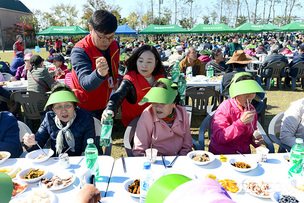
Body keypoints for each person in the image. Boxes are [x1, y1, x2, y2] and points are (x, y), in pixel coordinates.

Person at [71, 9, 119, 118]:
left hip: (106, 102)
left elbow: (115, 66)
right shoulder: (80, 50)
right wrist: (99, 74)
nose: (107, 41)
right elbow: (85, 83)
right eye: (102, 37)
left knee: (105, 134)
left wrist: (115, 81)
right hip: (84, 106)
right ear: (91, 29)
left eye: (111, 37)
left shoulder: (115, 45)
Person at [23, 84, 96, 156]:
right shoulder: (49, 118)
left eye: (68, 105)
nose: (64, 111)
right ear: (53, 109)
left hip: (80, 161)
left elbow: (88, 149)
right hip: (57, 162)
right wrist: (30, 143)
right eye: (58, 107)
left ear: (74, 106)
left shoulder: (86, 119)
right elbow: (37, 145)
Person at [102, 45, 165, 127]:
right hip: (135, 124)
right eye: (140, 61)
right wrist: (109, 109)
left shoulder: (161, 77)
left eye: (149, 62)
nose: (144, 65)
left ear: (156, 62)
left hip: (157, 122)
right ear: (136, 61)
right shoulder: (130, 79)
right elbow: (118, 96)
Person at [132, 78, 192, 156]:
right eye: (155, 102)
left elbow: (187, 144)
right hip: (156, 161)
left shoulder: (182, 113)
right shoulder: (148, 115)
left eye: (163, 103)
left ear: (174, 103)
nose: (158, 107)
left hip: (179, 159)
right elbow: (139, 150)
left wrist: (181, 159)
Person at [209, 73, 265, 155]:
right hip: (222, 154)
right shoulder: (225, 107)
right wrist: (241, 123)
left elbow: (250, 132)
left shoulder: (251, 108)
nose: (249, 96)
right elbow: (219, 137)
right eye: (245, 92)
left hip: (243, 154)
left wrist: (254, 140)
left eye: (252, 92)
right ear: (236, 92)